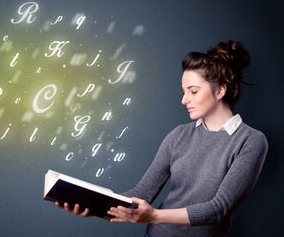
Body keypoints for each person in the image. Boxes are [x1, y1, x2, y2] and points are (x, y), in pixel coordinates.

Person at [54, 40, 268, 236]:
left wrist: (154, 215)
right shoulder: (178, 135)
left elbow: (218, 209)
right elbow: (142, 192)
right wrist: (94, 206)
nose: (184, 100)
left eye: (193, 91)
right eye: (183, 91)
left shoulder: (250, 141)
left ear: (220, 90)